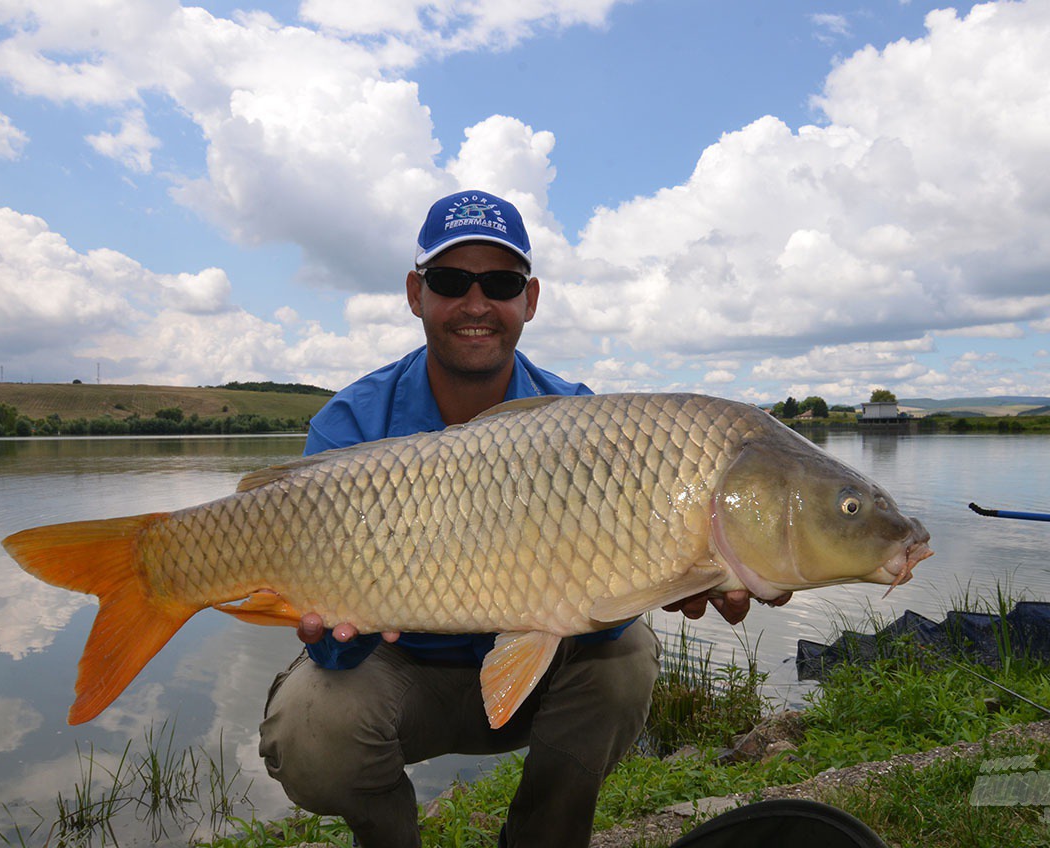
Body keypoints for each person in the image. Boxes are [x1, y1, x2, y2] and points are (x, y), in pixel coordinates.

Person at [258, 189, 773, 848]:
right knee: (308, 726)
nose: (476, 304)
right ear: (416, 293)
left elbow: (608, 598)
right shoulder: (352, 424)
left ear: (529, 300)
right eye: (451, 281)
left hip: (539, 676)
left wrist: (680, 575)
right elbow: (331, 648)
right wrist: (333, 624)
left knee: (628, 658)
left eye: (500, 283)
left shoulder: (592, 425)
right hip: (402, 675)